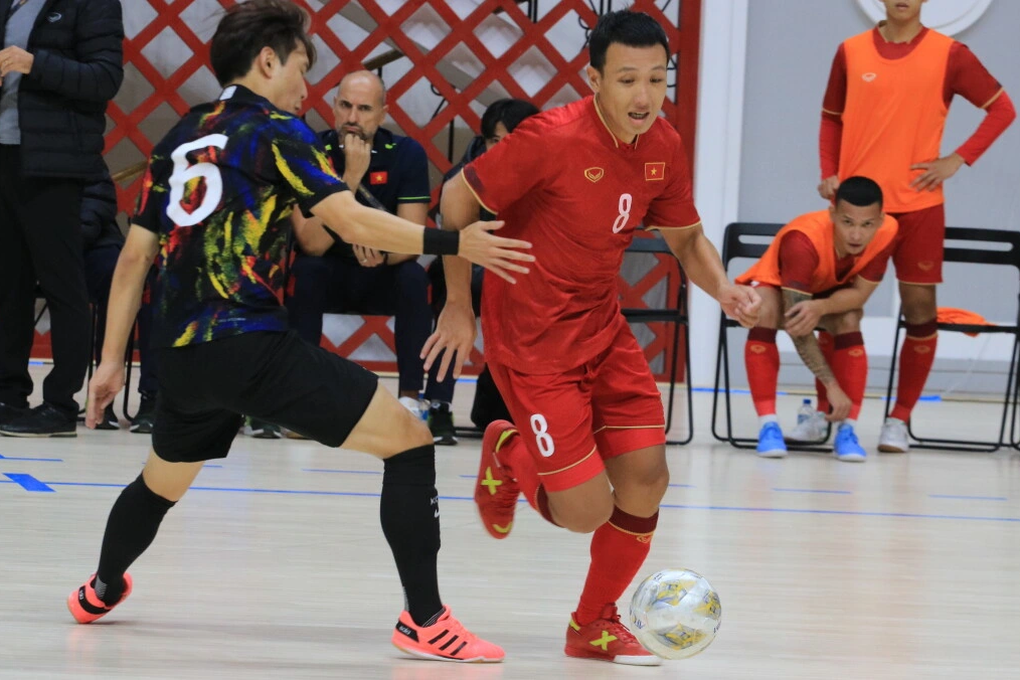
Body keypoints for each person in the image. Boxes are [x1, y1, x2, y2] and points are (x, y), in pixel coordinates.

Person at [68, 0, 534, 664]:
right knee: (409, 440)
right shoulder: (275, 130)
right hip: (245, 343)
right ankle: (424, 620)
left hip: (174, 353)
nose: (306, 86)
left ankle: (100, 588)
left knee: (161, 482)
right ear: (267, 61)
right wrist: (455, 239)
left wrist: (112, 361)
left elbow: (134, 260)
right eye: (301, 67)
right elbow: (352, 223)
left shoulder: (182, 132)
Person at [428, 10, 759, 666]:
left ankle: (594, 624)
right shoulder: (548, 138)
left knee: (646, 477)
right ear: (594, 80)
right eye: (627, 80)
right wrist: (459, 306)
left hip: (603, 331)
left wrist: (722, 288)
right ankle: (507, 451)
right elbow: (456, 201)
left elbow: (687, 239)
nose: (643, 96)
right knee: (582, 511)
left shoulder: (663, 144)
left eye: (657, 80)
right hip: (532, 341)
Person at [816, 0, 1015, 452]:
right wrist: (829, 171)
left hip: (919, 207)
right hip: (858, 209)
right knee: (838, 309)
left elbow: (1003, 109)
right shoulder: (850, 51)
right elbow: (831, 120)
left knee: (921, 309)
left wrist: (957, 159)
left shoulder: (951, 54)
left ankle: (900, 420)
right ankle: (830, 413)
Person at [284, 70, 441, 441]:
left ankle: (409, 400)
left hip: (384, 271)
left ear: (382, 114)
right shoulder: (309, 152)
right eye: (345, 106)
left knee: (414, 279)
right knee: (307, 270)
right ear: (334, 108)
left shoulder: (406, 154)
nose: (353, 118)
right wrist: (350, 178)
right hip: (329, 269)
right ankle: (304, 400)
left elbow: (412, 240)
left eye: (364, 108)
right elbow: (312, 243)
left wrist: (383, 257)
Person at [0, 0, 124, 436]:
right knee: (8, 284)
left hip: (54, 161)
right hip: (5, 152)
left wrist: (35, 63)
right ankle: (7, 395)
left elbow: (106, 77)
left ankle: (59, 402)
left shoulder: (91, 4)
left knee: (62, 283)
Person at [736, 177, 897, 461]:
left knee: (850, 316)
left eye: (867, 224)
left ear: (881, 220)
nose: (857, 235)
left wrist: (821, 307)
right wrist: (832, 387)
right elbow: (798, 326)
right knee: (765, 309)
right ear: (832, 214)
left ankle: (847, 430)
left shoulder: (889, 231)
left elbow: (859, 296)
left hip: (826, 292)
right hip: (778, 287)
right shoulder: (802, 241)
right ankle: (768, 425)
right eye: (848, 222)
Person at [428, 98, 541, 436]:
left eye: (512, 140)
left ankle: (510, 405)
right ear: (483, 141)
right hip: (469, 270)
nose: (502, 149)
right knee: (449, 286)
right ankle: (439, 405)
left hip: (523, 272)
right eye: (495, 140)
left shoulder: (547, 173)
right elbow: (445, 231)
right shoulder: (462, 178)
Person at [81, 166, 126, 430]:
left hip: (88, 244)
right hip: (25, 245)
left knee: (118, 275)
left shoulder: (85, 151)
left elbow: (98, 203)